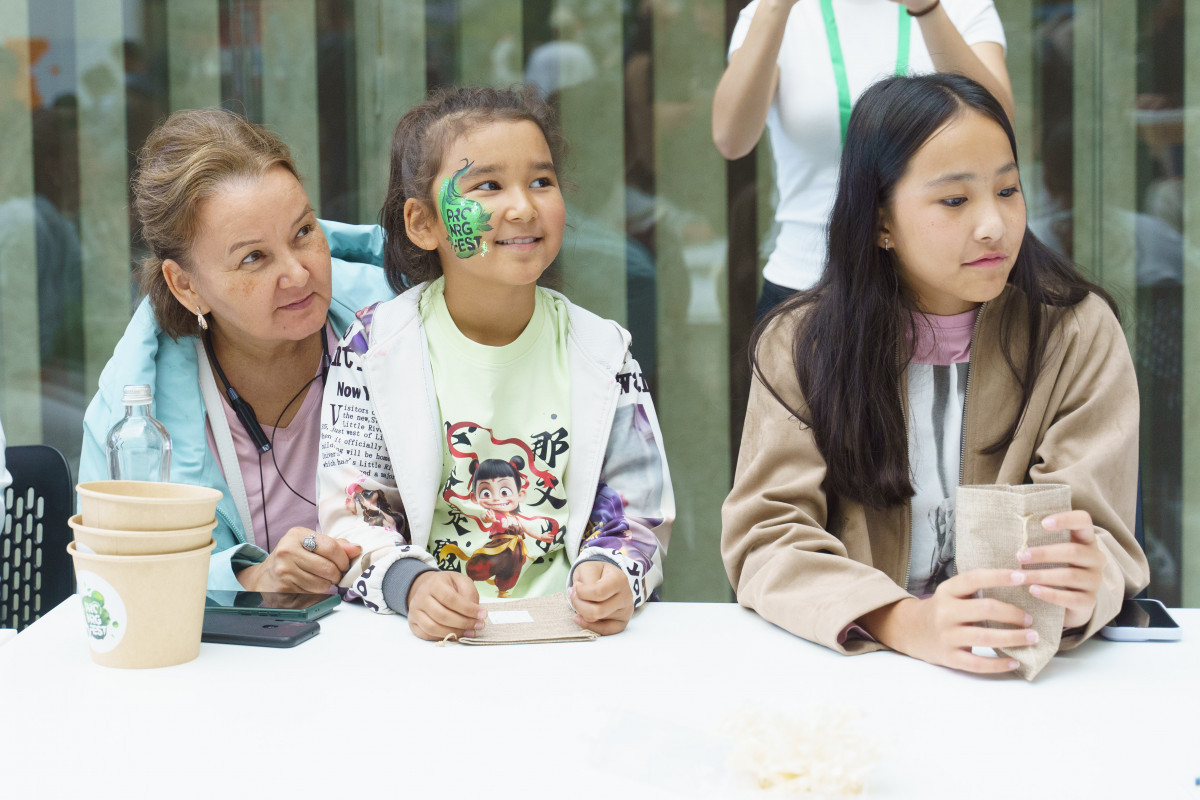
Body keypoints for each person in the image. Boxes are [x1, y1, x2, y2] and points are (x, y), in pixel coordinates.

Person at [721, 73, 1149, 674]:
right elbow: (768, 538)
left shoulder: (1076, 329)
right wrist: (902, 620)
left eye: (1008, 190)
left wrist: (1085, 587)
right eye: (955, 200)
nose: (993, 224)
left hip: (1022, 666)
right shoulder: (800, 342)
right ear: (880, 221)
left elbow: (1100, 533)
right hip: (858, 668)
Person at [317, 86, 673, 640]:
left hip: (571, 635)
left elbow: (637, 508)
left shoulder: (603, 351)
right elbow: (355, 512)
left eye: (541, 181)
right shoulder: (373, 347)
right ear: (423, 223)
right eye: (488, 185)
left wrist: (615, 573)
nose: (523, 207)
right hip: (427, 642)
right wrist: (412, 585)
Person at [80, 109, 393, 592]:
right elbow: (111, 582)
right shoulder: (133, 412)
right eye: (253, 257)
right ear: (185, 286)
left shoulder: (400, 325)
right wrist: (248, 579)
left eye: (303, 232)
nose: (298, 273)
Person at [712, 0, 1013, 319]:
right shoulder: (776, 11)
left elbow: (998, 131)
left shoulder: (961, 6)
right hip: (806, 280)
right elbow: (731, 139)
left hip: (940, 289)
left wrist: (928, 10)